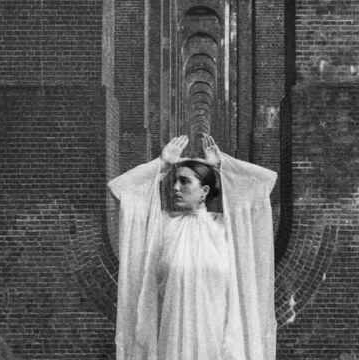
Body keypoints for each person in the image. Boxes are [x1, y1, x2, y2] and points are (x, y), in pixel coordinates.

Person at [108, 134, 277, 360]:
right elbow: (119, 188)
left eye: (185, 181)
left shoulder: (226, 228)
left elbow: (265, 181)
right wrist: (162, 164)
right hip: (172, 343)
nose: (176, 188)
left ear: (204, 191)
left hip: (217, 342)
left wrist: (222, 165)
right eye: (174, 180)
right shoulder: (163, 226)